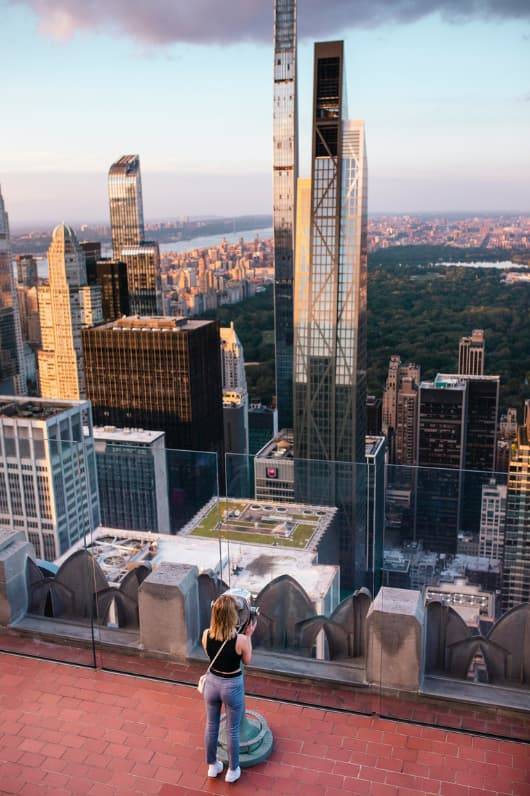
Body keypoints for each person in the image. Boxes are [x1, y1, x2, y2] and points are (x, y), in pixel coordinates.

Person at [201, 594, 256, 784]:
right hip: (231, 685)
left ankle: (212, 765)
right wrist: (248, 636)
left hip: (212, 683)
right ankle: (233, 770)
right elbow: (247, 661)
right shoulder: (240, 640)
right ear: (233, 615)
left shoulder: (206, 634)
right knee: (232, 729)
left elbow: (212, 652)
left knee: (211, 724)